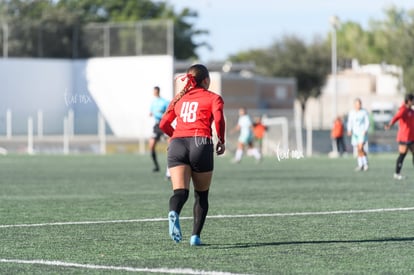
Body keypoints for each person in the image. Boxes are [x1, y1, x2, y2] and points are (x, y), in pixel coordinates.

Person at [159, 64, 225, 246]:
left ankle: (174, 212)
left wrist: (176, 137)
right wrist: (221, 140)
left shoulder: (179, 99)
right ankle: (195, 237)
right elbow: (218, 119)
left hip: (177, 144)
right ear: (206, 80)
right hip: (200, 143)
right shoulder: (213, 98)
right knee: (201, 196)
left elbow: (164, 124)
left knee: (180, 192)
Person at [384, 94, 414, 180]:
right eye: (413, 100)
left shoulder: (411, 110)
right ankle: (397, 173)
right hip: (404, 137)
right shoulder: (403, 110)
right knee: (402, 155)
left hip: (411, 137)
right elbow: (396, 117)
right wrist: (389, 125)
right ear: (409, 101)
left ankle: (397, 173)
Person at [149, 86, 169, 172]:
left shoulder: (164, 102)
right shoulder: (153, 102)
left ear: (158, 91)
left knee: (170, 145)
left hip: (164, 124)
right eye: (154, 91)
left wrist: (162, 113)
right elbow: (151, 112)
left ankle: (170, 167)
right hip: (157, 125)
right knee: (151, 145)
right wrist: (151, 113)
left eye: (156, 91)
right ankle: (156, 166)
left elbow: (169, 112)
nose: (155, 93)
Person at [347, 98, 370, 171]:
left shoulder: (364, 112)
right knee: (358, 149)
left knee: (360, 147)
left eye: (359, 104)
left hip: (362, 132)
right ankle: (360, 165)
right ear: (354, 105)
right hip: (355, 133)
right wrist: (349, 130)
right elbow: (350, 122)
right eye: (357, 104)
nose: (358, 105)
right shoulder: (352, 112)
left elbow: (367, 121)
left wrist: (365, 129)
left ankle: (365, 163)